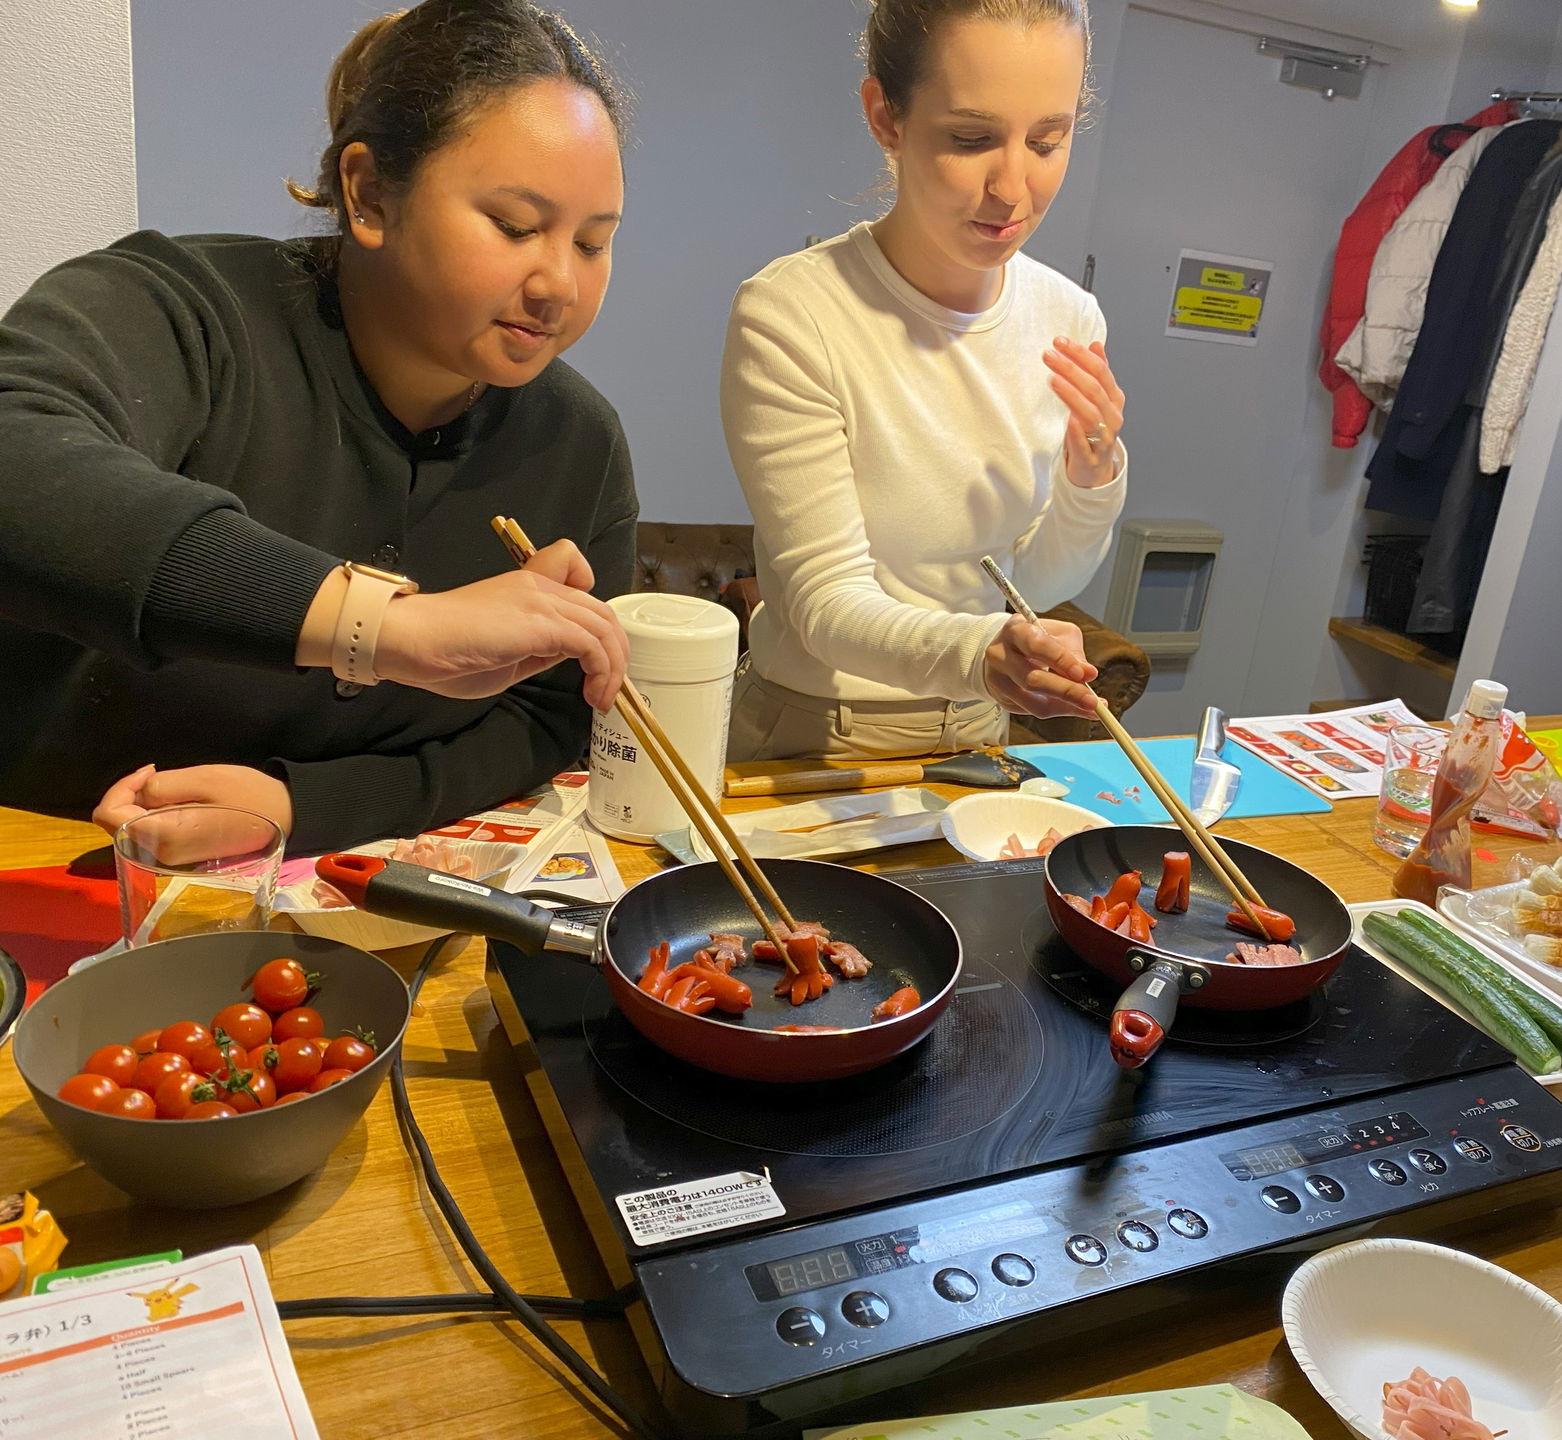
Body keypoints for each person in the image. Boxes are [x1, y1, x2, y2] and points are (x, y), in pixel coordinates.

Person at [0, 0, 639, 856]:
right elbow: (19, 462)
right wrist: (390, 627)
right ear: (369, 192)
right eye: (516, 227)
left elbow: (547, 717)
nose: (558, 282)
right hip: (50, 858)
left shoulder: (580, 446)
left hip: (327, 903)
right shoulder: (190, 312)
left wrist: (302, 806)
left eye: (593, 243)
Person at [722, 0, 1128, 763]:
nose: (1012, 189)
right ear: (887, 116)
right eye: (971, 139)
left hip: (979, 735)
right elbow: (825, 603)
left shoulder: (1068, 318)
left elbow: (1032, 579)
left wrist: (1093, 477)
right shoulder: (795, 313)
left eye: (1048, 139)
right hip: (815, 734)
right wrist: (982, 651)